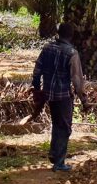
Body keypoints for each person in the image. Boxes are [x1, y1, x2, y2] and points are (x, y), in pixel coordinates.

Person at [31, 22, 90, 172]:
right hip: (63, 95)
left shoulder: (47, 48)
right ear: (71, 36)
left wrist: (37, 89)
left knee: (57, 124)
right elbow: (77, 80)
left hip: (49, 93)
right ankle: (59, 162)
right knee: (64, 127)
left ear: (58, 33)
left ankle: (54, 154)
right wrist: (84, 100)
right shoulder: (71, 53)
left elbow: (37, 70)